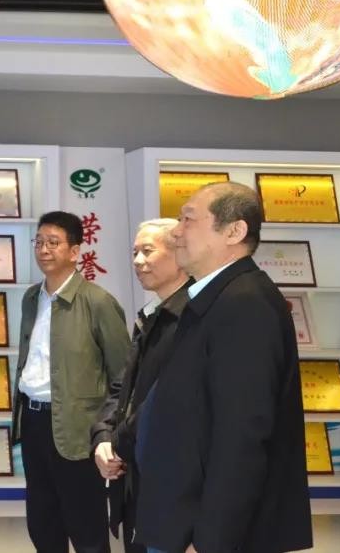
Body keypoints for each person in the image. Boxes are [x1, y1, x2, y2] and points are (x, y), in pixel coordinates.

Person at [135, 182, 312, 553]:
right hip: (176, 518)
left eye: (188, 219)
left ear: (234, 231)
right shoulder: (213, 298)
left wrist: (210, 541)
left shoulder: (245, 305)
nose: (176, 232)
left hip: (202, 533)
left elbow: (241, 437)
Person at [12, 211, 131, 553]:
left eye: (53, 242)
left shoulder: (98, 302)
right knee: (43, 521)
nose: (43, 250)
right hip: (34, 421)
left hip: (78, 428)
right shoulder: (31, 298)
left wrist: (110, 434)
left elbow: (123, 374)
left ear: (75, 251)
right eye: (39, 242)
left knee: (85, 525)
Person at [90, 219, 191, 553]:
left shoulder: (194, 317)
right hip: (135, 469)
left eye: (148, 251)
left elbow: (166, 399)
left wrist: (118, 441)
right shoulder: (150, 314)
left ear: (180, 253)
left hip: (170, 476)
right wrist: (103, 437)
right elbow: (124, 387)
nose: (137, 261)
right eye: (134, 252)